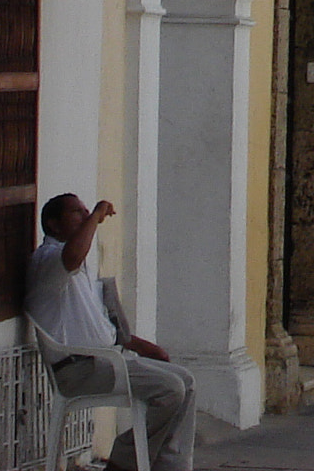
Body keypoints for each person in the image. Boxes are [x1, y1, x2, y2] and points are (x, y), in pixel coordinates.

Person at [26, 193, 197, 471]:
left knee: (186, 382)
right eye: (76, 212)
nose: (83, 215)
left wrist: (139, 345)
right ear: (53, 224)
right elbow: (71, 255)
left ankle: (172, 466)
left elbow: (99, 326)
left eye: (84, 211)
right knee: (170, 389)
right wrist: (95, 215)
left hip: (106, 360)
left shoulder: (78, 269)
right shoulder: (49, 259)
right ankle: (124, 460)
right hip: (79, 369)